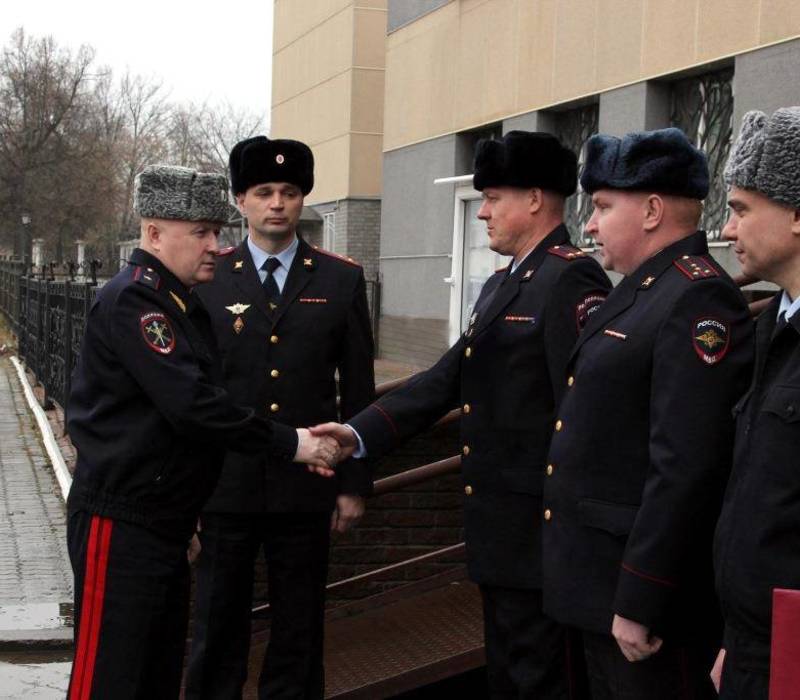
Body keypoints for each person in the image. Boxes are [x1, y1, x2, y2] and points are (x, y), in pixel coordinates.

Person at [314, 130, 612, 698]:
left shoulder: (570, 277)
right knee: (508, 673)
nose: (484, 215)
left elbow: (579, 416)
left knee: (540, 678)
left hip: (538, 538)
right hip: (500, 533)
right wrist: (357, 434)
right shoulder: (505, 283)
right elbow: (446, 380)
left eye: (493, 199)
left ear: (534, 199)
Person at [65, 165, 339, 700]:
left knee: (156, 674)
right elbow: (194, 407)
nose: (216, 245)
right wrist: (295, 444)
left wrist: (184, 510)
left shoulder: (179, 302)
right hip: (120, 520)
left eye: (218, 230)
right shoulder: (137, 302)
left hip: (160, 521)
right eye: (201, 232)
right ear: (153, 234)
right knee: (110, 677)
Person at [539, 128, 754, 698]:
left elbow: (687, 464)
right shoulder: (640, 290)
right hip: (598, 589)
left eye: (605, 207)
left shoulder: (697, 299)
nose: (589, 224)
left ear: (654, 210)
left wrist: (641, 596)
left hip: (642, 607)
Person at [186, 136, 375, 699]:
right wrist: (186, 491)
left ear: (302, 200)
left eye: (289, 192)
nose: (277, 203)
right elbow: (191, 394)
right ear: (240, 200)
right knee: (217, 626)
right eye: (263, 192)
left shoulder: (340, 279)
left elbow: (358, 389)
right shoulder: (208, 277)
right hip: (225, 485)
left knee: (299, 627)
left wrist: (354, 482)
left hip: (307, 486)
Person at [711, 107, 800, 699]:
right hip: (755, 645)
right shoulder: (775, 325)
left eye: (742, 209)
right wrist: (736, 641)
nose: (725, 229)